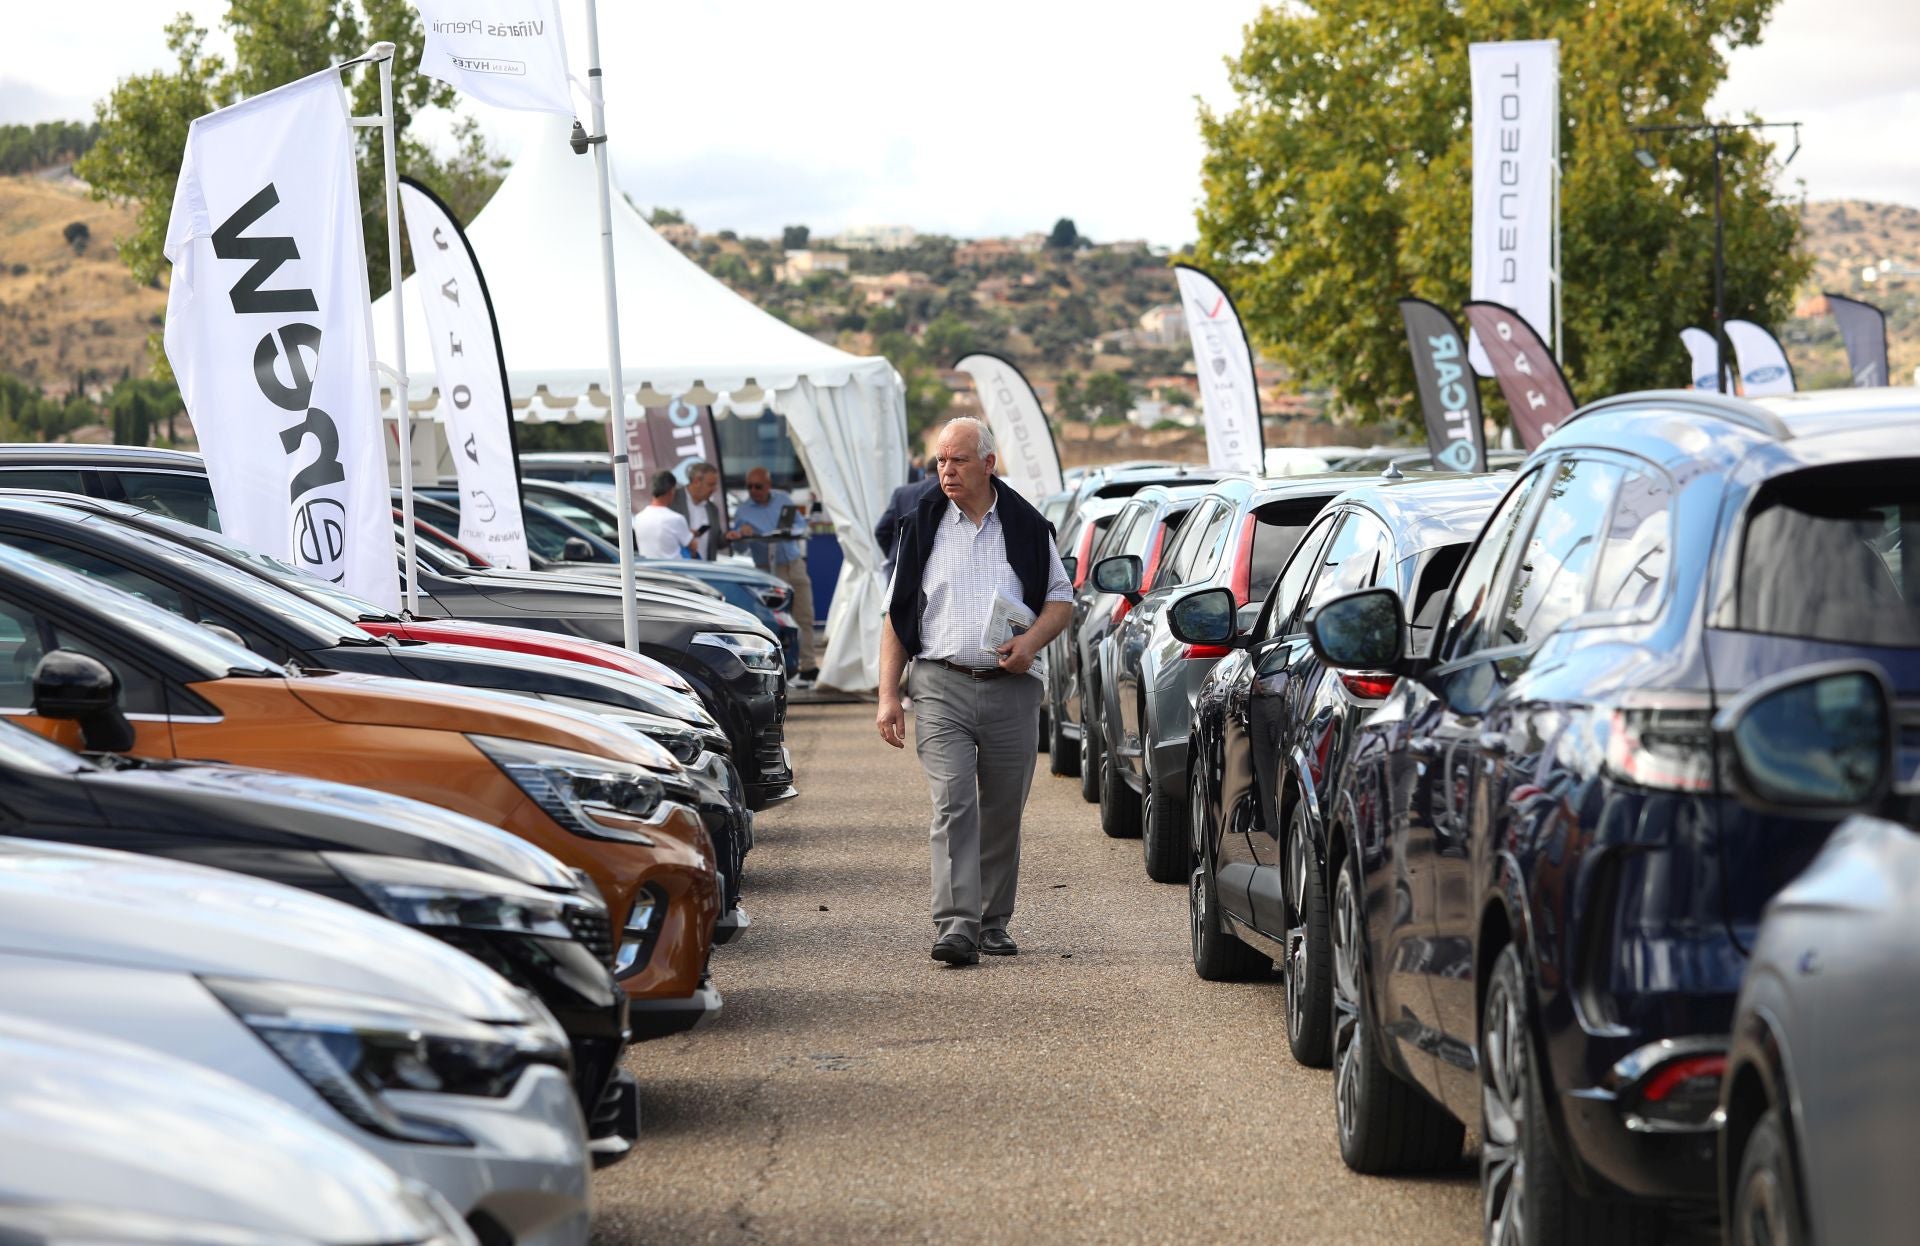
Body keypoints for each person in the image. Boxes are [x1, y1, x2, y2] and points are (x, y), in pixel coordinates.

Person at [875, 417, 1073, 966]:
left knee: (1002, 809)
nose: (946, 470)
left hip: (1011, 687)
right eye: (940, 460)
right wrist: (888, 694)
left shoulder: (1028, 526)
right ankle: (956, 924)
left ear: (988, 463)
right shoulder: (922, 524)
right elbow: (895, 615)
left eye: (958, 460)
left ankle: (992, 921)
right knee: (954, 802)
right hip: (939, 684)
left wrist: (1031, 642)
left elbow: (1060, 599)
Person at [727, 467, 817, 682]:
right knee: (773, 621)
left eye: (758, 486)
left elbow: (800, 526)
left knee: (804, 615)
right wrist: (743, 535)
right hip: (767, 569)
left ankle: (809, 666)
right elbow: (738, 548)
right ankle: (778, 668)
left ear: (768, 485)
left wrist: (787, 532)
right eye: (749, 487)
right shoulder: (743, 511)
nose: (753, 491)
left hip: (793, 564)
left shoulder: (783, 499)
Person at [872, 475, 938, 581]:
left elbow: (881, 530)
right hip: (933, 572)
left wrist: (897, 552)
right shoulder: (949, 492)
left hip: (899, 568)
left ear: (926, 474)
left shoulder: (901, 492)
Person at [633, 470, 696, 559]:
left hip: (648, 570)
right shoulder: (676, 519)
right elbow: (693, 547)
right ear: (671, 491)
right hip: (675, 570)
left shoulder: (639, 518)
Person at [674, 460, 724, 560]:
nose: (715, 489)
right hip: (679, 569)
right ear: (696, 481)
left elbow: (716, 542)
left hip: (705, 569)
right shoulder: (673, 499)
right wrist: (685, 535)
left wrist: (727, 537)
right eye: (710, 485)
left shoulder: (713, 509)